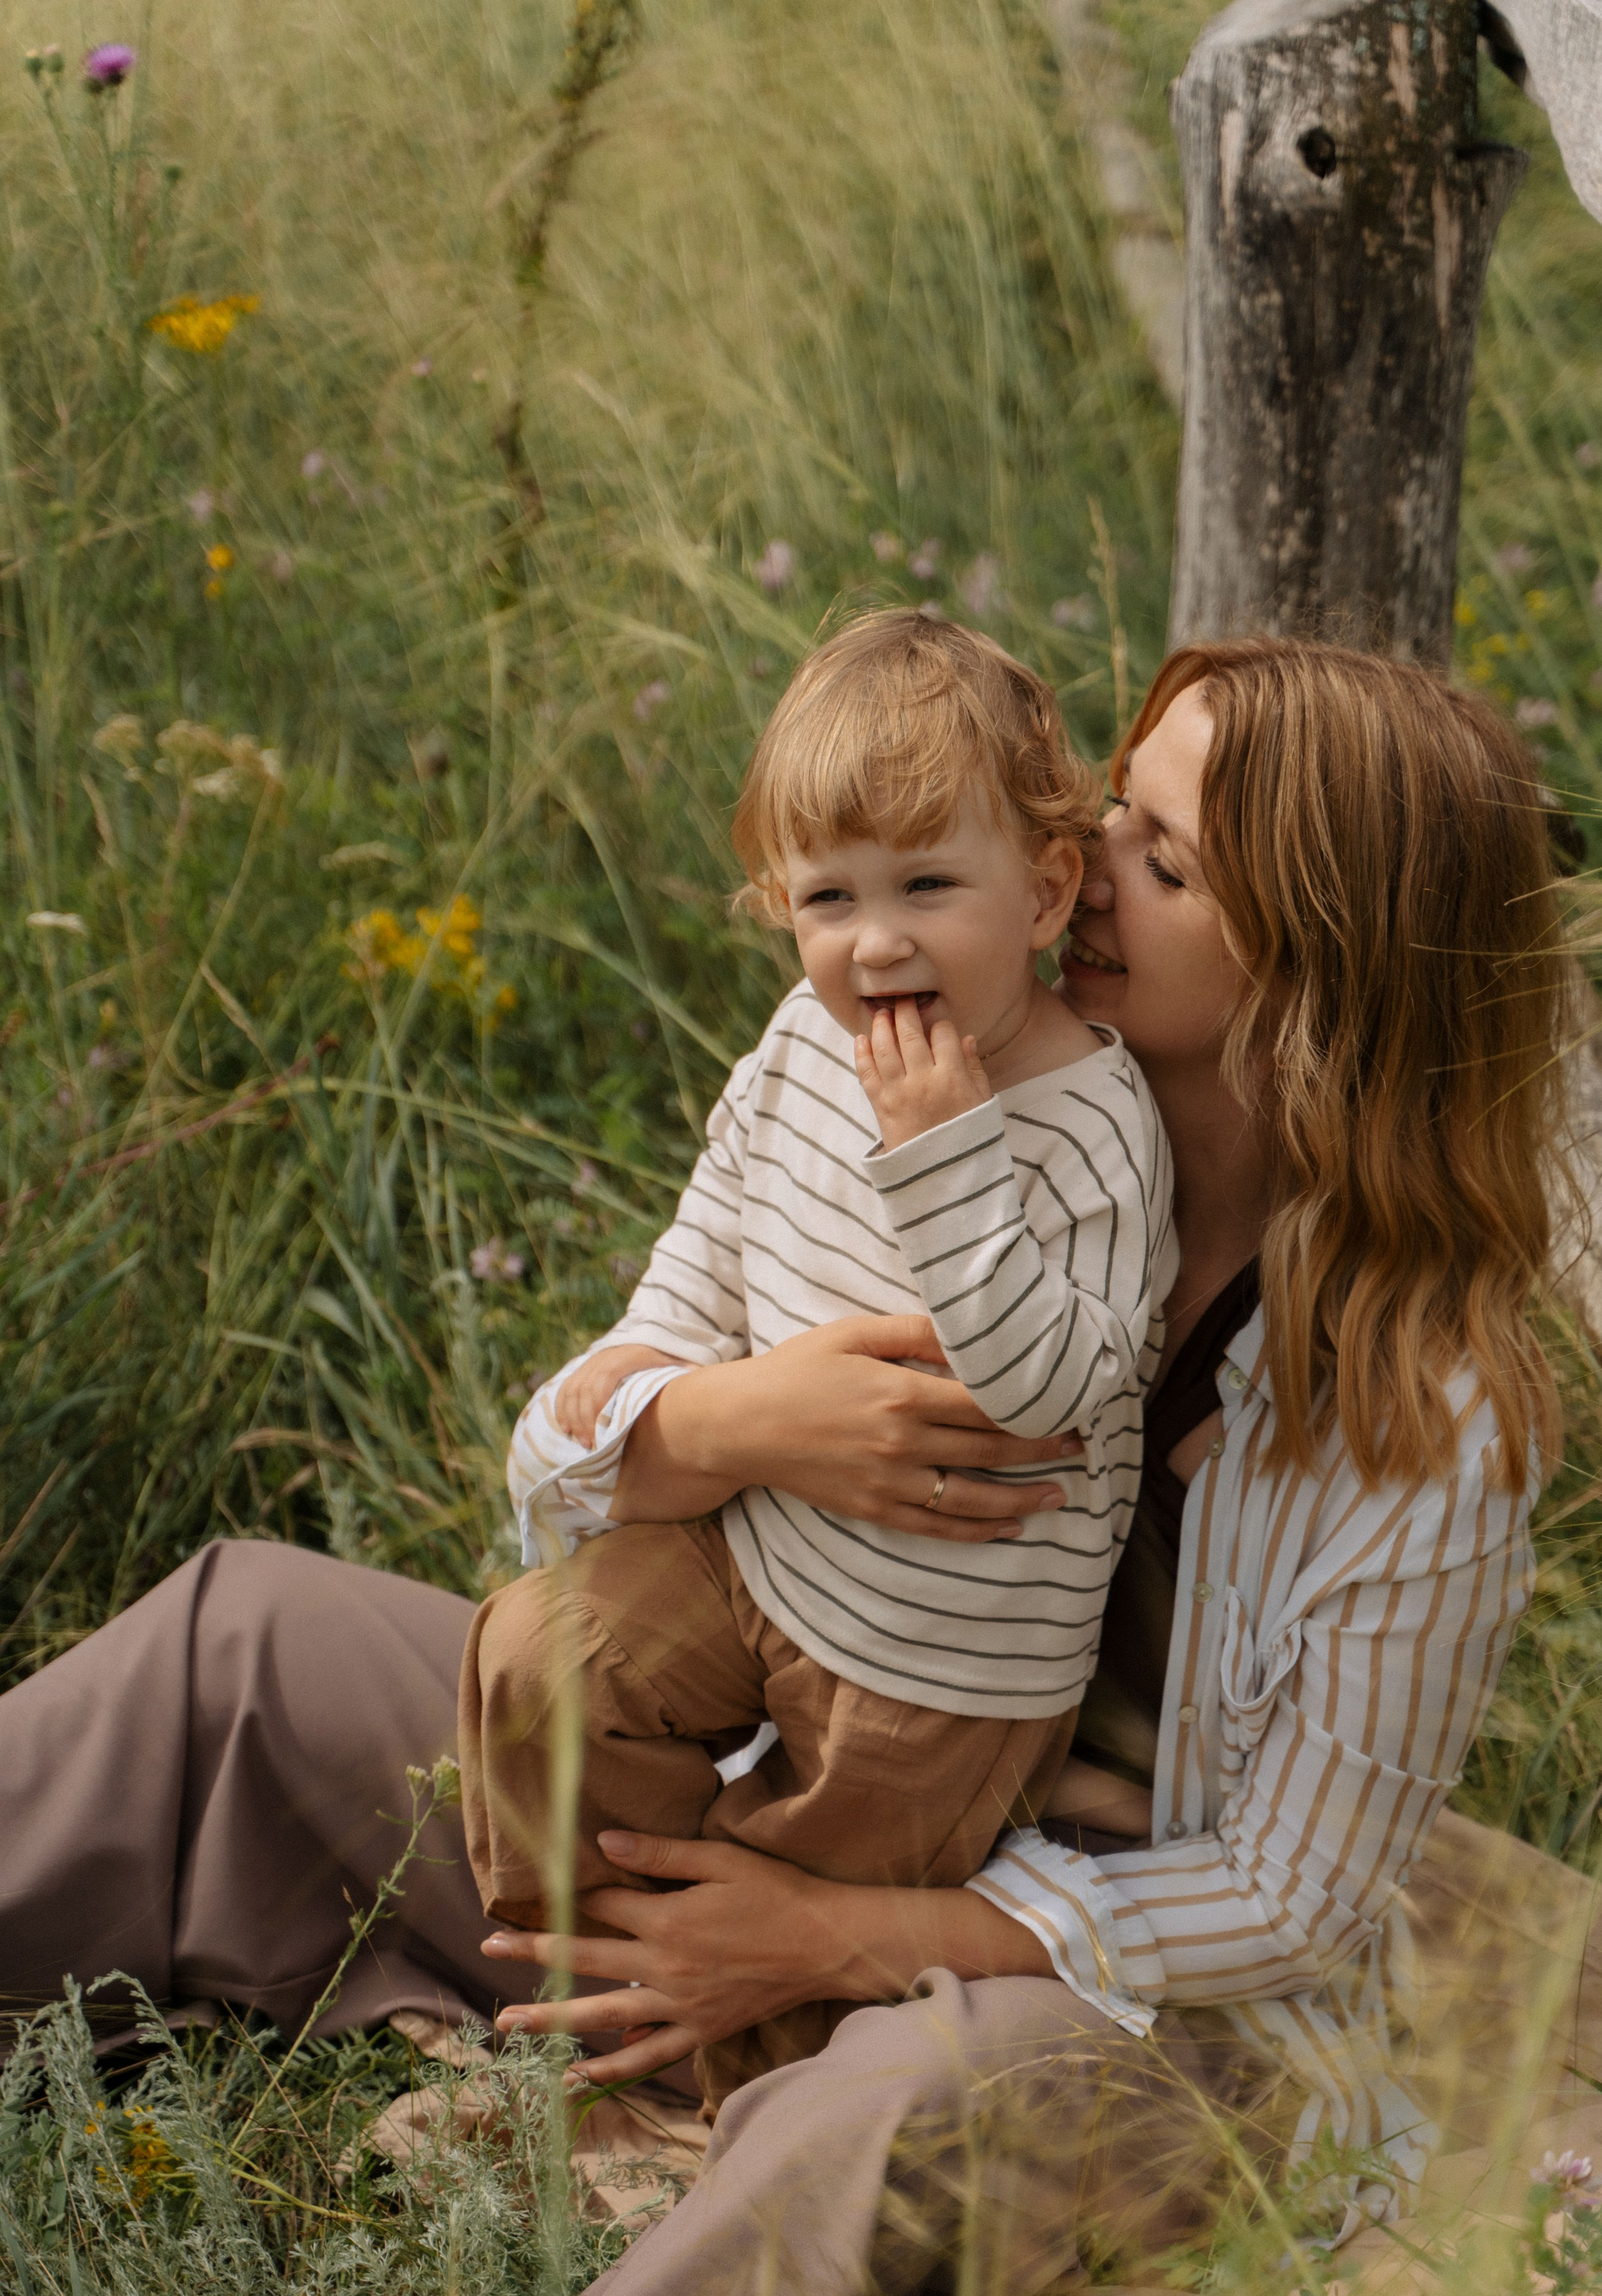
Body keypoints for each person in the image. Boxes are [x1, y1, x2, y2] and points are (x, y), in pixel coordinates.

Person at [0, 637, 1567, 2296]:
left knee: (866, 2124)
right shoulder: (877, 1060)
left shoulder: (1436, 1412)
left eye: (1157, 857)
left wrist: (828, 1940)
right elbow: (566, 1464)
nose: (1077, 852)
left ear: (1322, 964)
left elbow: (1291, 1893)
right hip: (773, 1755)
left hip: (1102, 1988)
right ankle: (648, 2047)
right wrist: (716, 1426)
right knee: (247, 1636)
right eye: (1103, 807)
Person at [464, 613, 1175, 2106]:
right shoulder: (801, 1037)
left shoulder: (1093, 1125)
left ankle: (719, 2096)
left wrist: (943, 1151)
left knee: (795, 1922)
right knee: (539, 1664)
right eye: (828, 897)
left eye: (927, 885)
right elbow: (723, 1214)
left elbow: (1054, 1387)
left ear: (1046, 890)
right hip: (753, 1551)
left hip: (941, 1663)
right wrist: (653, 1342)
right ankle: (604, 2001)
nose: (875, 941)